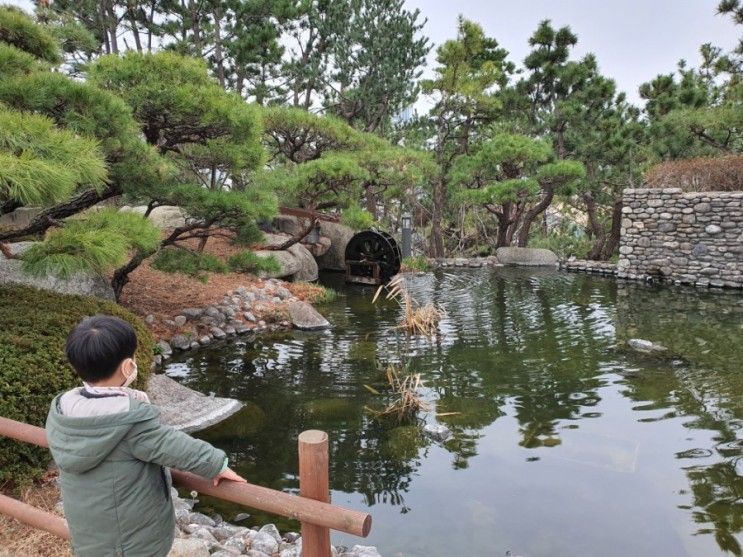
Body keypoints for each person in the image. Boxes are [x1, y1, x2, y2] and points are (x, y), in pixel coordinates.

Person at [46, 315, 246, 557]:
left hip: (89, 534)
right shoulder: (129, 422)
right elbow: (175, 446)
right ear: (127, 367)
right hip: (131, 544)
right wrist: (217, 464)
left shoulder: (63, 410)